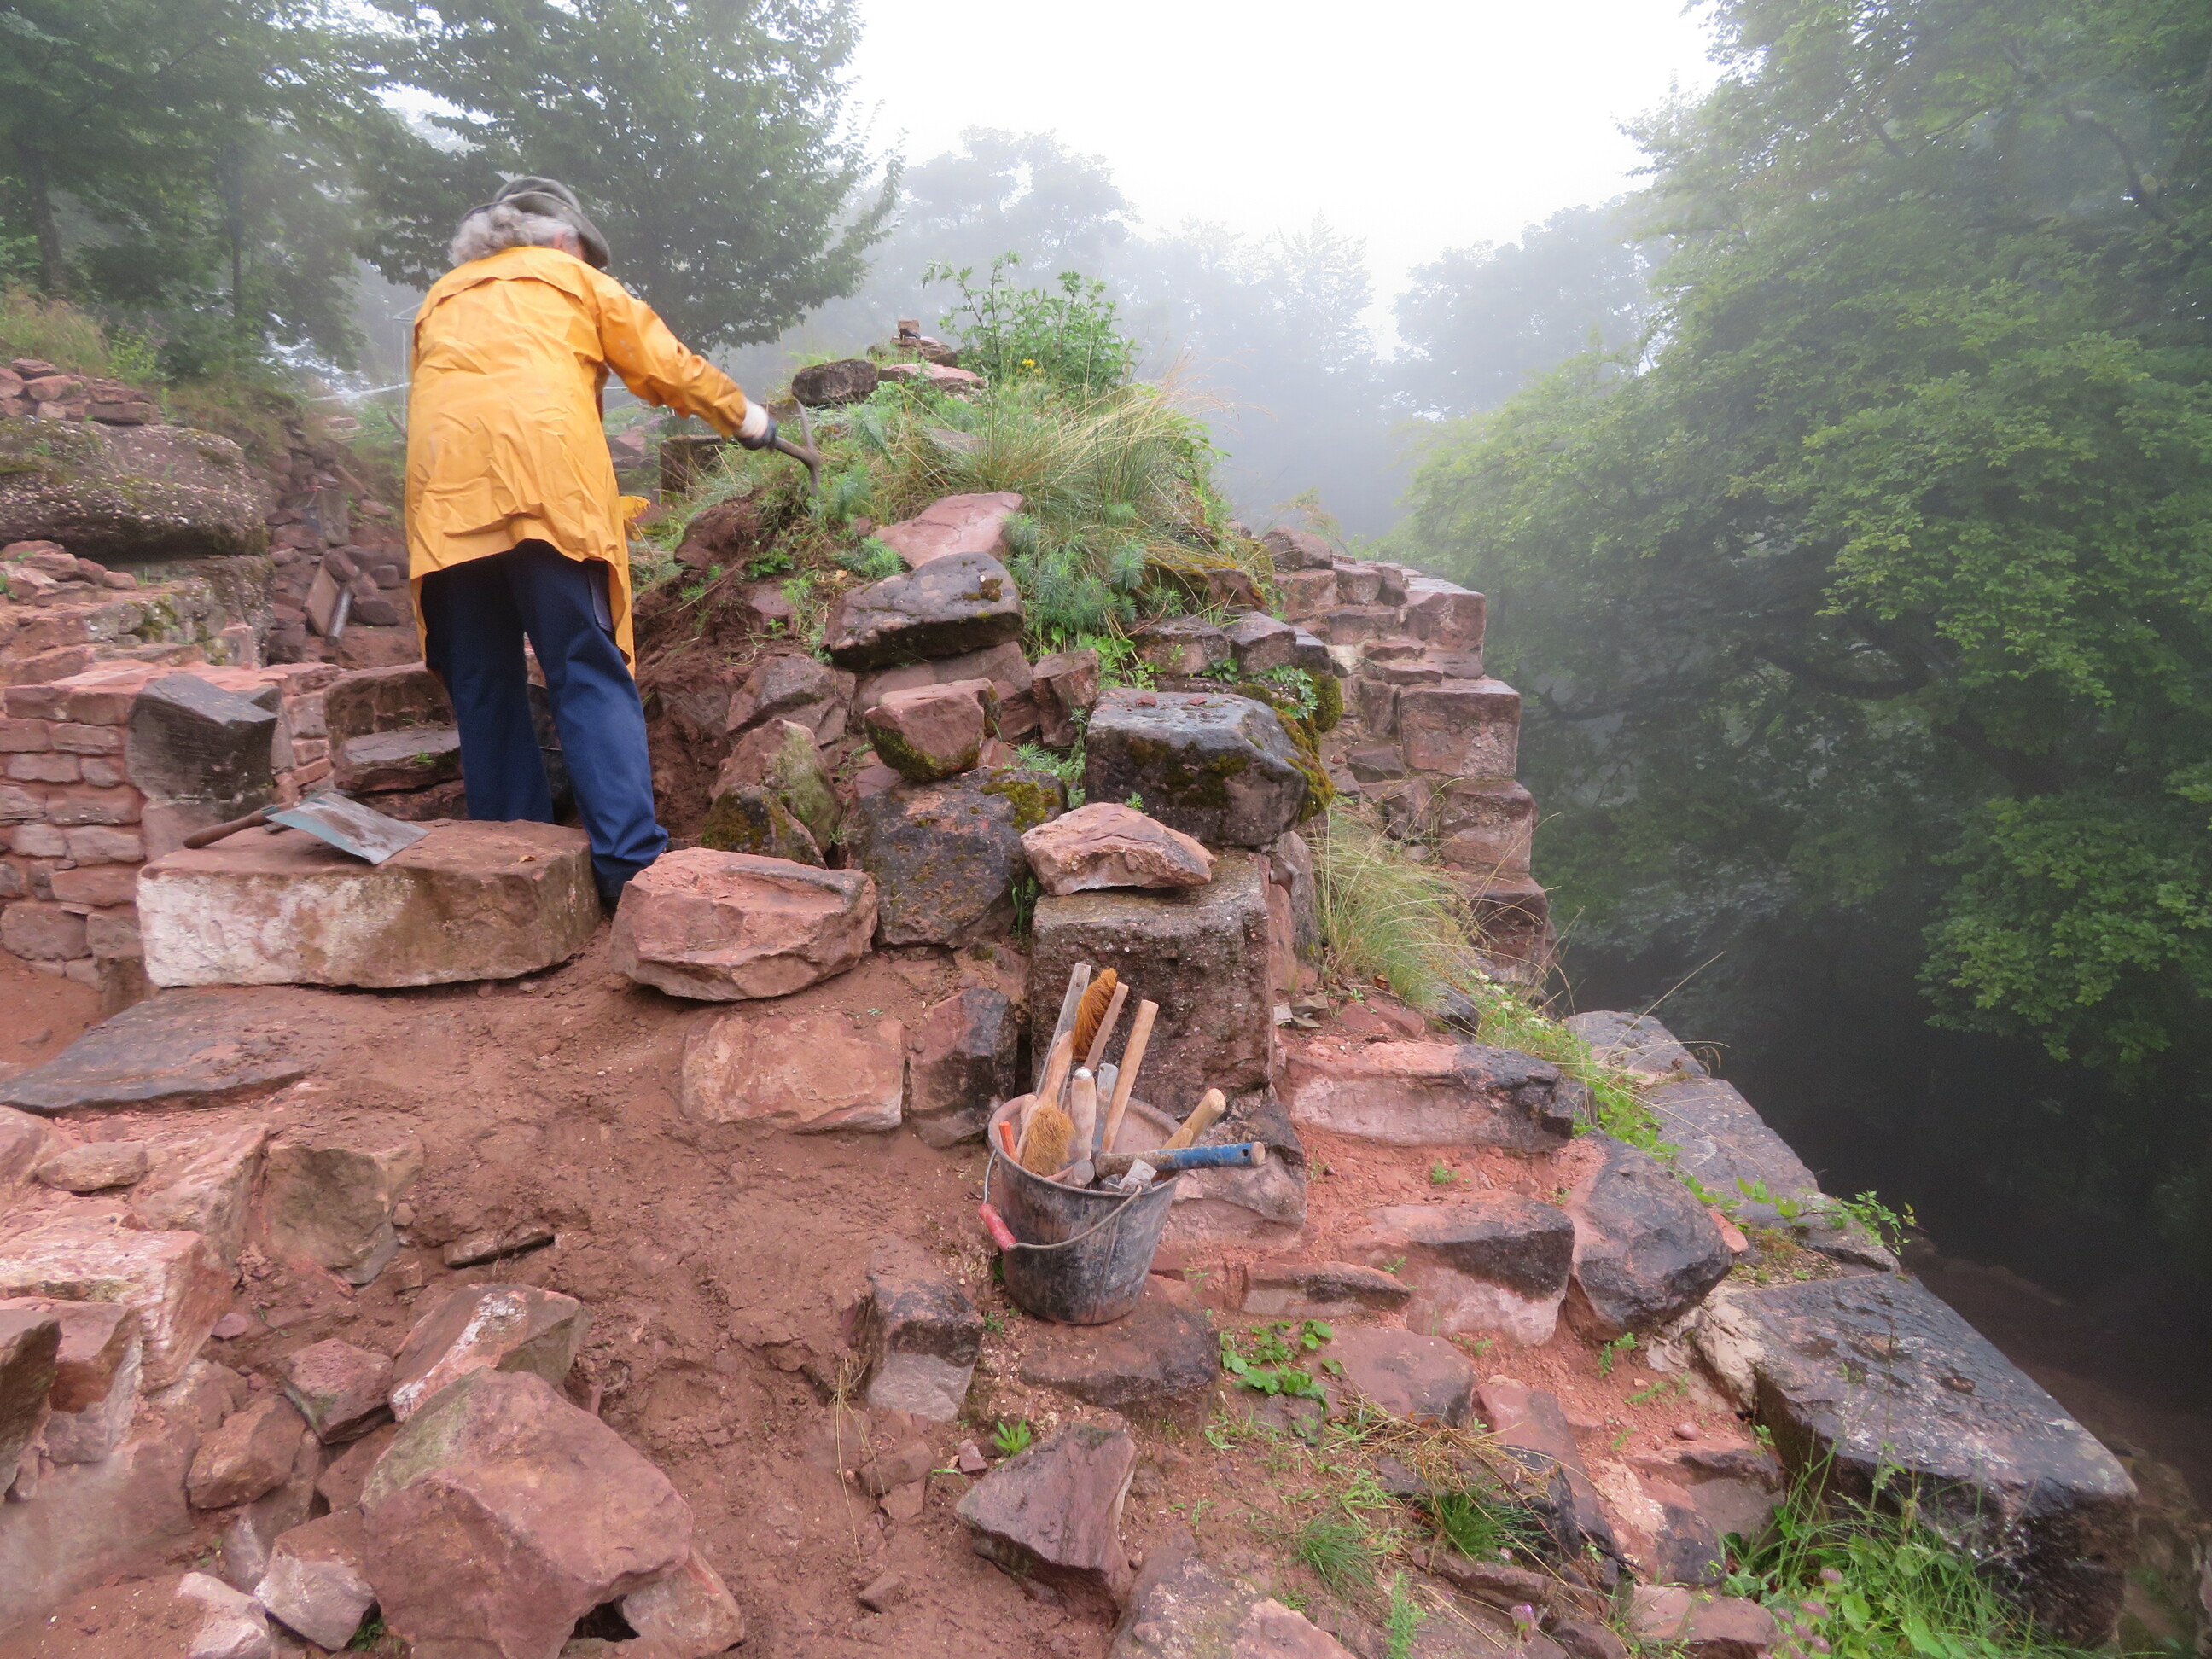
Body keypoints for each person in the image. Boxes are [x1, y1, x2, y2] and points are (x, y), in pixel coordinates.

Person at [404, 177, 778, 901]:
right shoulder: (574, 280)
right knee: (585, 668)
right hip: (548, 490)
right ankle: (628, 869)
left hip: (446, 503)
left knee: (483, 683)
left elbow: (445, 403)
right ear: (563, 239)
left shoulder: (440, 297)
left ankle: (512, 879)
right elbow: (665, 366)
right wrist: (748, 419)